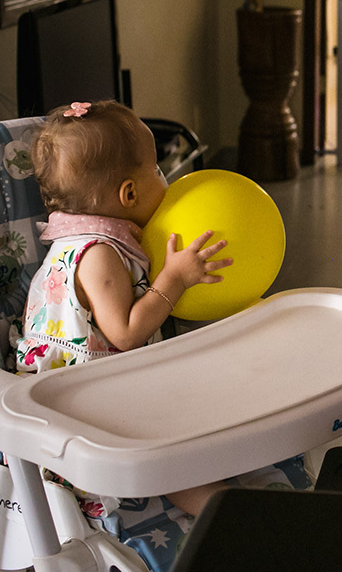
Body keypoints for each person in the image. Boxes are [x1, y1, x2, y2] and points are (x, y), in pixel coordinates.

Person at [12, 99, 232, 517]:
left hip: (101, 391)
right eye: (156, 169)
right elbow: (126, 333)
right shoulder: (98, 254)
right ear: (129, 193)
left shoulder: (95, 240)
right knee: (173, 461)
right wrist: (175, 279)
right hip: (81, 415)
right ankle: (222, 514)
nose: (163, 177)